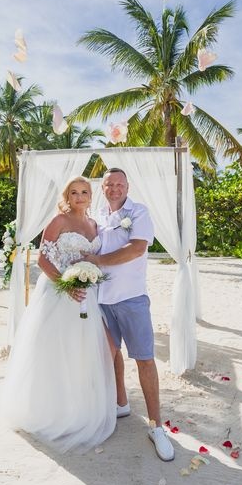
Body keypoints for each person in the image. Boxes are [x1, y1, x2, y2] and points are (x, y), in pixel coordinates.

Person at [0, 177, 117, 452]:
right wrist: (67, 285)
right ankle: (54, 410)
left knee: (81, 351)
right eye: (74, 192)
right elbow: (42, 259)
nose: (79, 196)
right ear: (67, 196)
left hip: (86, 296)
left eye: (84, 192)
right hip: (58, 293)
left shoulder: (94, 224)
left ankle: (81, 406)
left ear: (91, 196)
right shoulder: (59, 221)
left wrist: (85, 281)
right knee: (55, 351)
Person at [85, 168, 175, 462]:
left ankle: (156, 427)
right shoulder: (96, 216)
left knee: (144, 359)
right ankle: (121, 403)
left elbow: (136, 249)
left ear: (128, 186)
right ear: (102, 188)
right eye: (109, 184)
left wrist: (97, 260)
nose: (114, 188)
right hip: (101, 299)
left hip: (131, 298)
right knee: (109, 355)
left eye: (119, 184)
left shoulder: (139, 212)